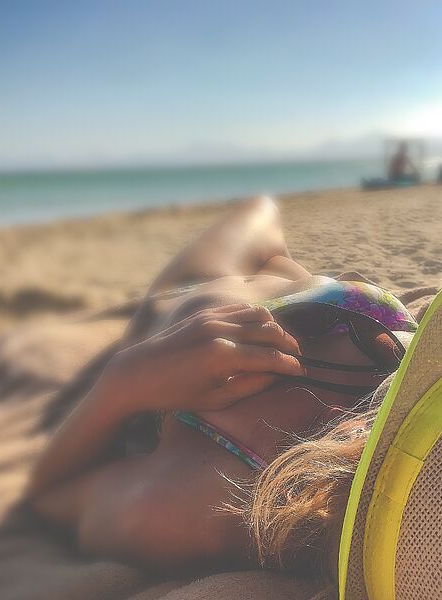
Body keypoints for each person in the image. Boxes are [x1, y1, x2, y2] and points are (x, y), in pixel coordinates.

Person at [26, 196, 417, 578]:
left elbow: (50, 495)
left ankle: (281, 269)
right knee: (266, 224)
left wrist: (125, 381)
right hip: (328, 302)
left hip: (193, 293)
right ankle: (285, 268)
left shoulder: (213, 505)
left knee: (259, 209)